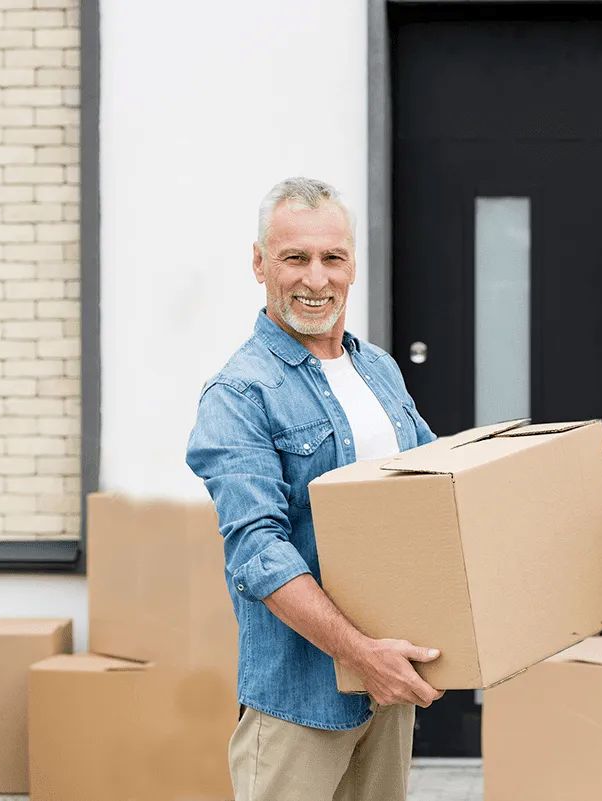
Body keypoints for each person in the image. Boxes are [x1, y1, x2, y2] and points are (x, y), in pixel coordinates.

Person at [186, 177, 442, 801]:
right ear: (259, 264)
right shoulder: (240, 393)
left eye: (332, 258)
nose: (316, 279)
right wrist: (358, 652)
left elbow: (436, 495)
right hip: (299, 699)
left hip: (387, 684)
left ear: (353, 263)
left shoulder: (377, 369)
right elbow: (258, 551)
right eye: (294, 258)